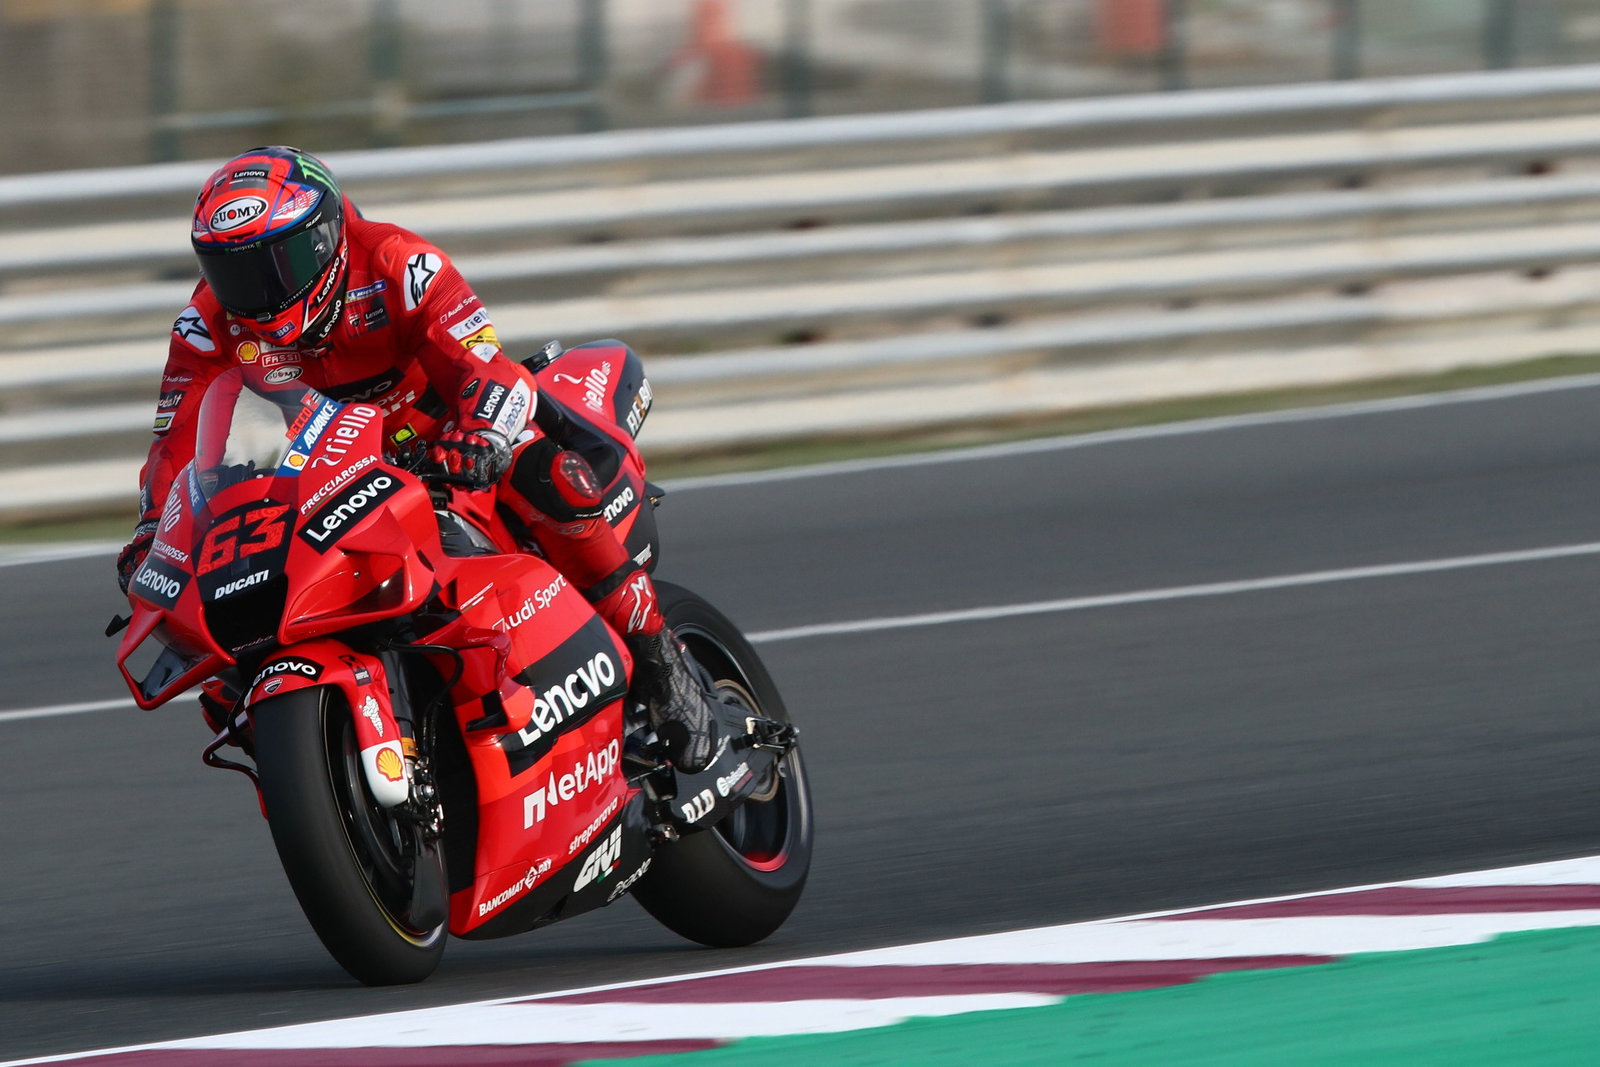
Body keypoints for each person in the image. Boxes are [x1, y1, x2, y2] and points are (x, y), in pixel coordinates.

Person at [115, 145, 718, 772]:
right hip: (332, 471)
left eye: (276, 264)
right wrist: (152, 528)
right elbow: (176, 438)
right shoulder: (210, 324)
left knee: (547, 479)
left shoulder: (397, 262)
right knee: (222, 617)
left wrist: (482, 434)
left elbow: (478, 358)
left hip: (453, 441)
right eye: (232, 272)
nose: (256, 294)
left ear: (324, 239)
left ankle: (660, 660)